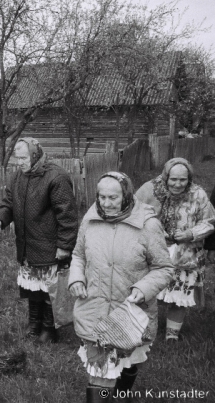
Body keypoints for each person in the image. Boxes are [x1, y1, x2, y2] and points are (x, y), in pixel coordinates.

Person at [69, 172, 173, 403]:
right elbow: (78, 255)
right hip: (94, 308)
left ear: (126, 195)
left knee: (129, 361)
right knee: (100, 370)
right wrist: (76, 278)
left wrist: (144, 288)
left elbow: (164, 268)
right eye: (102, 197)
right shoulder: (90, 219)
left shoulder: (148, 225)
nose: (106, 203)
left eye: (113, 197)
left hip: (129, 311)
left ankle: (120, 395)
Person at [0, 138, 78, 343]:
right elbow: (8, 202)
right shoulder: (17, 178)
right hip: (28, 245)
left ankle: (49, 328)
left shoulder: (56, 177)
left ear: (35, 155)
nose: (19, 162)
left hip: (49, 245)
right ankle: (34, 325)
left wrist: (64, 246)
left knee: (49, 289)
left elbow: (67, 215)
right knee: (32, 287)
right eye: (17, 158)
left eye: (23, 158)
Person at [135, 157, 215, 341]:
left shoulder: (198, 194)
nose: (178, 184)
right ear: (166, 176)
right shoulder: (150, 190)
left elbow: (210, 222)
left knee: (180, 293)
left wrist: (191, 234)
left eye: (183, 179)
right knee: (148, 292)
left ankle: (172, 335)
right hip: (154, 250)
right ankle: (143, 330)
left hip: (185, 254)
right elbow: (134, 215)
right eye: (173, 179)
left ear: (189, 179)